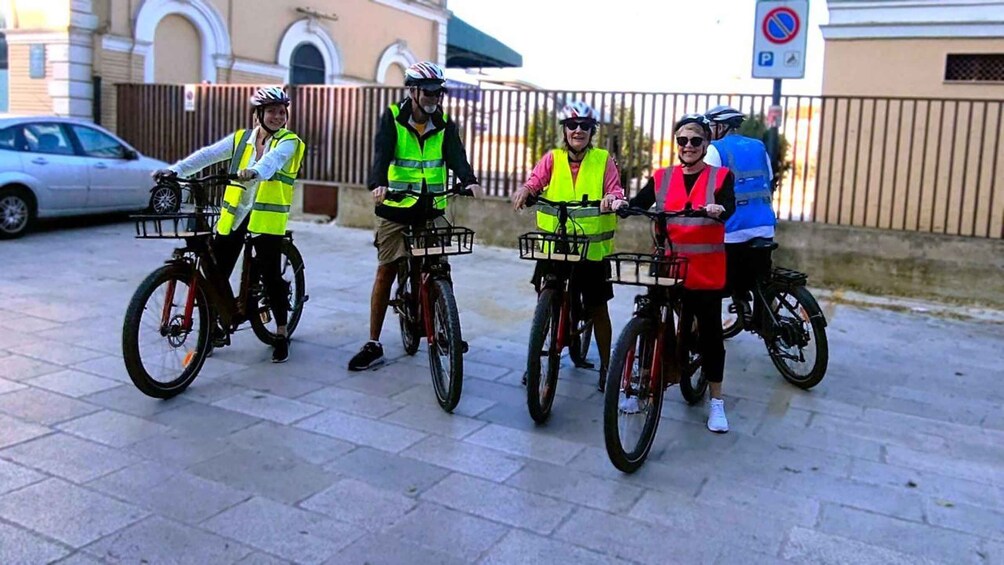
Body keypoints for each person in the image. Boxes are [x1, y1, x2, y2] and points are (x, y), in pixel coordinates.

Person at [153, 86, 305, 363]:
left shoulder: (289, 141)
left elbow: (273, 161)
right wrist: (175, 170)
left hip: (266, 218)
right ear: (257, 114)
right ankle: (214, 329)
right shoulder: (241, 140)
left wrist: (255, 171)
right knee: (216, 272)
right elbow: (207, 155)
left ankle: (281, 333)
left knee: (271, 275)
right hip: (235, 216)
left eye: (282, 112)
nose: (278, 117)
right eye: (271, 111)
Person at [348, 61, 482, 371]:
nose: (434, 97)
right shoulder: (393, 117)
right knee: (387, 270)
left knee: (440, 268)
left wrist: (469, 179)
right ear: (413, 91)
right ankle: (373, 342)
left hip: (430, 207)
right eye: (429, 91)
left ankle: (445, 327)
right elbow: (381, 154)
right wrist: (377, 183)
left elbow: (456, 157)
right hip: (394, 207)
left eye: (439, 91)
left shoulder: (446, 124)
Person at [628, 113, 736, 432]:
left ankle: (716, 402)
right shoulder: (662, 177)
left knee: (711, 332)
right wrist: (617, 202)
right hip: (667, 264)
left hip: (704, 270)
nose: (688, 146)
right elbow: (638, 202)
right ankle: (640, 384)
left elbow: (730, 206)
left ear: (706, 144)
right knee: (648, 319)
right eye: (682, 140)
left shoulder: (721, 177)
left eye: (695, 141)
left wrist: (721, 210)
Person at [511, 101, 626, 391]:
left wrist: (612, 198)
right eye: (572, 125)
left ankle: (606, 368)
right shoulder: (552, 158)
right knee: (545, 300)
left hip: (590, 249)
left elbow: (615, 188)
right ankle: (535, 363)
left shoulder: (603, 160)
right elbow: (535, 180)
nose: (578, 130)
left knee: (599, 307)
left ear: (592, 131)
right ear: (564, 130)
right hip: (555, 245)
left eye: (585, 126)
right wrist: (526, 190)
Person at [704, 105, 776, 313]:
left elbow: (706, 188)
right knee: (760, 278)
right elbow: (769, 181)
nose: (709, 131)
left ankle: (707, 332)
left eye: (711, 126)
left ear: (722, 127)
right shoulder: (759, 146)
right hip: (764, 224)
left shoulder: (714, 149)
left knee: (714, 287)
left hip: (732, 228)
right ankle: (769, 316)